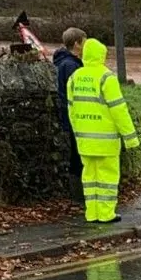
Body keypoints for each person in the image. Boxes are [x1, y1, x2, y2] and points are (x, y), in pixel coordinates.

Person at [67, 38, 141, 223]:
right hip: (106, 141)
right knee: (107, 178)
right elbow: (119, 109)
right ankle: (106, 214)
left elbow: (71, 110)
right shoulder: (107, 77)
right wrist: (131, 138)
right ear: (102, 55)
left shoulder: (75, 77)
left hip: (84, 140)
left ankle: (91, 213)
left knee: (89, 178)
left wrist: (78, 134)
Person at [53, 27, 86, 206]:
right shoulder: (71, 65)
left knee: (76, 154)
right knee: (78, 156)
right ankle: (79, 197)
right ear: (77, 44)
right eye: (84, 42)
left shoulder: (62, 62)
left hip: (69, 115)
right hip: (75, 117)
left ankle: (77, 195)